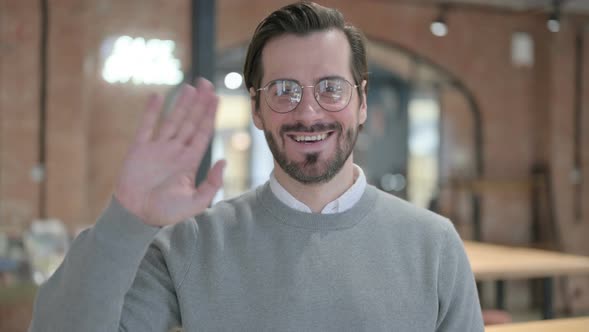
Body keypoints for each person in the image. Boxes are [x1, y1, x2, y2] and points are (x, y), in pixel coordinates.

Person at [29, 2, 484, 331]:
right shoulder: (190, 245)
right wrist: (124, 221)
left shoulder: (434, 244)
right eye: (285, 90)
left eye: (331, 87)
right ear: (257, 108)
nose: (308, 112)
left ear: (361, 101)